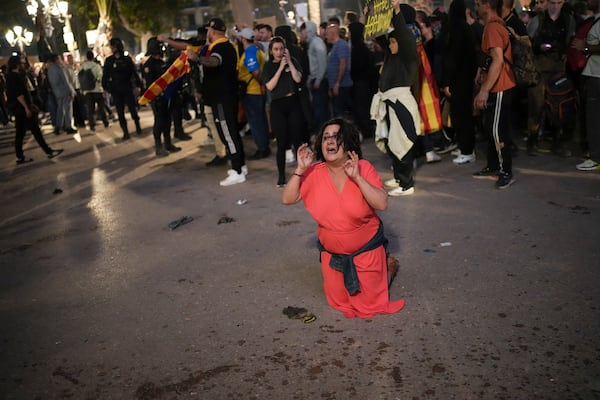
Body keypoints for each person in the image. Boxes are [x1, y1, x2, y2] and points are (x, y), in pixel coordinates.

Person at [281, 118, 405, 319]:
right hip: (333, 255)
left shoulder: (363, 167)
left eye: (337, 137)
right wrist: (300, 170)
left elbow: (381, 203)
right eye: (326, 137)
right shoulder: (313, 172)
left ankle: (387, 266)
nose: (330, 141)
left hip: (365, 252)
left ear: (348, 144)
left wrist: (357, 178)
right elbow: (287, 199)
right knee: (339, 302)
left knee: (371, 305)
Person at [187, 18, 247, 186]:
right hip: (222, 98)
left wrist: (197, 58)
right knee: (231, 133)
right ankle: (240, 165)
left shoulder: (222, 47)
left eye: (208, 30)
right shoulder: (224, 46)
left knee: (227, 134)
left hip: (222, 99)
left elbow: (215, 61)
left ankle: (237, 170)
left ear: (212, 31)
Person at [370, 1, 421, 196]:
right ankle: (400, 177)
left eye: (393, 41)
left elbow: (402, 34)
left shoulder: (407, 52)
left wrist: (397, 11)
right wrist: (370, 17)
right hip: (390, 103)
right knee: (393, 142)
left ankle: (407, 185)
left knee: (403, 143)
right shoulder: (393, 54)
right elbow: (380, 37)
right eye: (390, 42)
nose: (390, 44)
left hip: (402, 104)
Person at [472, 0, 517, 188]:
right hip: (497, 85)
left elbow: (497, 60)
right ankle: (493, 165)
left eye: (477, 3)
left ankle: (505, 170)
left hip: (500, 86)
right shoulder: (496, 24)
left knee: (497, 131)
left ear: (486, 5)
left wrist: (484, 90)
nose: (475, 7)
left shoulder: (492, 28)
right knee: (492, 128)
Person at [526, 0, 576, 156]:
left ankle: (557, 142)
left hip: (557, 68)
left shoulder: (568, 19)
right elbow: (528, 42)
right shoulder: (538, 20)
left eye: (559, 2)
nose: (555, 6)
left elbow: (569, 41)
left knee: (557, 106)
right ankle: (532, 141)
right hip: (539, 68)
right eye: (553, 2)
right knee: (537, 105)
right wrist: (538, 46)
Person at [263, 36, 305, 187]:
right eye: (276, 49)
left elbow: (298, 79)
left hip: (293, 102)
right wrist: (280, 68)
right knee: (281, 142)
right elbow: (270, 86)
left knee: (297, 140)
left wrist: (290, 64)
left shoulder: (292, 60)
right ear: (271, 51)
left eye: (281, 49)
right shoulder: (268, 66)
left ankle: (302, 173)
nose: (279, 52)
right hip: (278, 105)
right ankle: (281, 175)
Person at [5, 55, 62, 163]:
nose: (23, 65)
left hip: (20, 108)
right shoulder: (14, 77)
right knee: (35, 130)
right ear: (17, 64)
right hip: (21, 109)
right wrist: (27, 108)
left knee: (20, 133)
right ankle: (48, 151)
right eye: (22, 63)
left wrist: (30, 105)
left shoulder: (13, 76)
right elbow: (19, 95)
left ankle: (20, 156)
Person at [441, 0, 478, 165]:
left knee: (460, 116)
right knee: (464, 115)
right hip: (466, 79)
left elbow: (452, 58)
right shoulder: (466, 28)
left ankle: (467, 151)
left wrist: (447, 81)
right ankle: (466, 147)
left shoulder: (456, 29)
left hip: (458, 81)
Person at [142, 37, 181, 157]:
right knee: (159, 122)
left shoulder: (161, 62)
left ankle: (168, 143)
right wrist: (156, 96)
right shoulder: (149, 65)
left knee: (167, 121)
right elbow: (149, 84)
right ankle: (158, 146)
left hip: (166, 96)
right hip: (156, 98)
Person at [573, 0, 600, 170]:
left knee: (594, 120)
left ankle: (596, 158)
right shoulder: (595, 19)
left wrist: (586, 48)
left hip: (597, 77)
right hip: (593, 75)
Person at [236, 28, 271, 159]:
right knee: (259, 120)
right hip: (257, 91)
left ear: (244, 39)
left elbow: (255, 72)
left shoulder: (250, 52)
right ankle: (264, 146)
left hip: (252, 92)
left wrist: (263, 84)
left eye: (240, 38)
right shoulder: (257, 50)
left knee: (256, 122)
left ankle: (262, 148)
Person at [103, 37, 143, 141]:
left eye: (113, 46)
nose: (112, 48)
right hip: (116, 90)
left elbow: (133, 73)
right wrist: (106, 88)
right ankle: (125, 132)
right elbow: (105, 76)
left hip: (127, 87)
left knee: (132, 109)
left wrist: (137, 85)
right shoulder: (109, 61)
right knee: (120, 112)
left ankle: (137, 126)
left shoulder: (126, 59)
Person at [300, 20, 329, 136]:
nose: (302, 34)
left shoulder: (317, 43)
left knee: (320, 108)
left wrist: (318, 79)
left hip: (319, 81)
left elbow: (322, 62)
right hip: (316, 80)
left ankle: (322, 133)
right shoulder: (312, 43)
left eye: (303, 31)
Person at [326, 23, 353, 120]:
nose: (326, 36)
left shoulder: (341, 45)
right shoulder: (335, 46)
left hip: (342, 85)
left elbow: (343, 64)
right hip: (337, 86)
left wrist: (337, 83)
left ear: (333, 34)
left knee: (343, 112)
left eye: (327, 34)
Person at [46, 54, 78, 135]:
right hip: (65, 91)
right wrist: (71, 91)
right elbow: (66, 81)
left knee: (60, 109)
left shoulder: (50, 70)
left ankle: (58, 126)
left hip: (57, 92)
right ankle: (68, 126)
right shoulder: (60, 68)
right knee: (68, 109)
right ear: (57, 59)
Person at [79, 50, 109, 133]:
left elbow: (79, 78)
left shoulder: (82, 66)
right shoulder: (96, 66)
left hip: (87, 91)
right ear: (93, 57)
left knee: (90, 110)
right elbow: (100, 78)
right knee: (101, 108)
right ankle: (105, 123)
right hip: (97, 90)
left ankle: (92, 127)